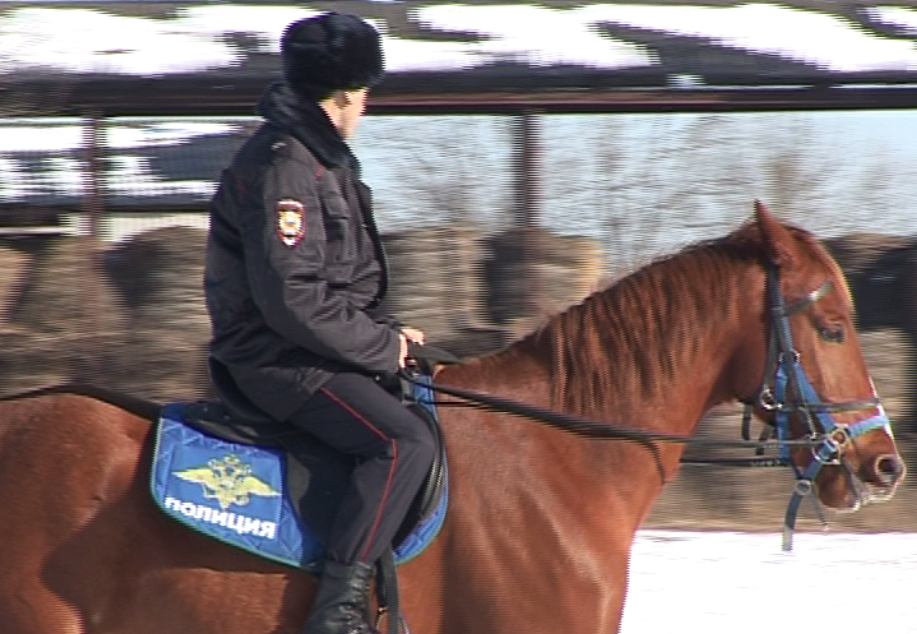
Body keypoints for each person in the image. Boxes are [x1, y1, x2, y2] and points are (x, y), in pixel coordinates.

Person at [203, 12, 436, 634]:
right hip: (278, 358)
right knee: (402, 442)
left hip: (311, 347)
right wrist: (378, 347)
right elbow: (291, 299)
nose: (365, 108)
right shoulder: (288, 167)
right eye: (363, 96)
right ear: (343, 95)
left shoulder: (320, 160)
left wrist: (389, 335)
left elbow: (337, 280)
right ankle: (337, 612)